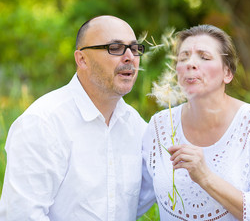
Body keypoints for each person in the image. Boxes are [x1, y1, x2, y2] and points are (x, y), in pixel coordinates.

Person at [0, 15, 154, 220]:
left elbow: (144, 198)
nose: (129, 57)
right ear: (82, 59)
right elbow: (21, 215)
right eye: (115, 48)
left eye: (134, 49)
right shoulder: (42, 123)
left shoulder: (136, 126)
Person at [142, 24, 250, 220]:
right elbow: (135, 197)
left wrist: (205, 177)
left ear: (227, 73)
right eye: (183, 57)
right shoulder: (159, 126)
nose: (191, 63)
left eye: (204, 57)